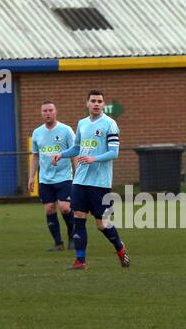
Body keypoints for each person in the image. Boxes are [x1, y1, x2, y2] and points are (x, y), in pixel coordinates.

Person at [49, 90, 129, 270]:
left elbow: (114, 152)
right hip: (79, 181)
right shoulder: (82, 124)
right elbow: (76, 148)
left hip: (100, 182)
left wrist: (95, 158)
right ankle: (80, 260)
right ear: (87, 103)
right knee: (78, 217)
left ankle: (120, 248)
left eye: (100, 101)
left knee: (102, 224)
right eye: (93, 101)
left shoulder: (110, 124)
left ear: (103, 104)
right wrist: (61, 154)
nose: (96, 104)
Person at [29, 100, 75, 251]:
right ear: (41, 113)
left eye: (50, 110)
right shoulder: (37, 133)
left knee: (65, 208)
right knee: (49, 209)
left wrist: (78, 173)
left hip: (65, 177)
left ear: (56, 112)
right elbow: (35, 156)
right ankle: (58, 243)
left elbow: (75, 152)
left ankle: (73, 237)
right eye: (45, 111)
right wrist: (31, 177)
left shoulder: (66, 130)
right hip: (45, 179)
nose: (48, 113)